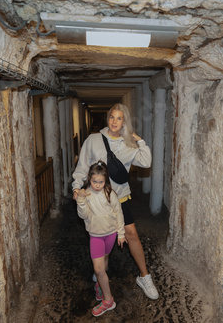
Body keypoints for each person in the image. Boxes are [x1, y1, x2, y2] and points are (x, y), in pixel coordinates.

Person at [72, 103, 159, 300]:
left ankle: (144, 276)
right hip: (96, 199)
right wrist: (77, 187)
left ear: (124, 122)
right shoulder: (94, 140)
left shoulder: (128, 145)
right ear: (108, 118)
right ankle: (101, 270)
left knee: (132, 235)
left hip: (119, 197)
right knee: (105, 234)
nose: (114, 121)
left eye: (119, 118)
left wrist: (140, 140)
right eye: (112, 117)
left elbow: (146, 162)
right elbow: (82, 166)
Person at [75, 161, 126, 317]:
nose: (97, 185)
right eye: (94, 181)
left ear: (106, 180)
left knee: (104, 262)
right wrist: (81, 200)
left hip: (111, 234)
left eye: (101, 182)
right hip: (96, 236)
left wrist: (121, 233)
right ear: (89, 179)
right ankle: (108, 300)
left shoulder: (110, 193)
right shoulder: (86, 194)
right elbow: (82, 215)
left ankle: (99, 284)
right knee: (98, 269)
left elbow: (118, 212)